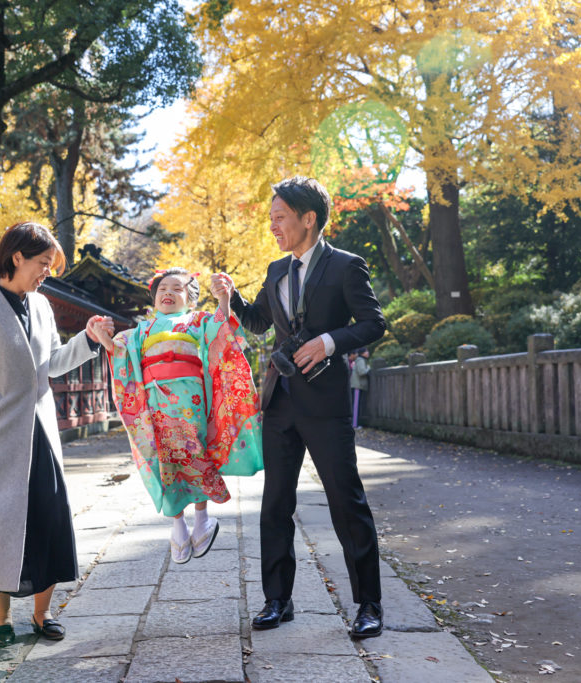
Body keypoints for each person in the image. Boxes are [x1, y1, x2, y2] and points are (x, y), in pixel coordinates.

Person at [211, 176, 387, 638]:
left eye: (280, 217)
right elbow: (256, 323)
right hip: (280, 402)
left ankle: (369, 605)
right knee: (274, 505)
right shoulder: (275, 271)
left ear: (308, 219)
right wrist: (230, 300)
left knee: (346, 503)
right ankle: (277, 600)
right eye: (271, 218)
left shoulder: (347, 266)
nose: (273, 225)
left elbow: (373, 323)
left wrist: (329, 342)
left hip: (326, 404)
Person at [0, 221, 113, 647]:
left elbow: (52, 362)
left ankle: (42, 613)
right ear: (16, 257)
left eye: (49, 266)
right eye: (42, 263)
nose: (46, 273)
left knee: (50, 520)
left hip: (41, 434)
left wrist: (89, 340)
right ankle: (0, 619)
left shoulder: (41, 306)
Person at [93, 268, 263, 563]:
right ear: (154, 298)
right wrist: (103, 338)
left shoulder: (197, 321)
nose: (168, 293)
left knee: (192, 452)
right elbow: (121, 354)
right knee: (164, 457)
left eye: (177, 288)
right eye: (162, 289)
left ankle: (202, 518)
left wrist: (224, 299)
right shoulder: (141, 330)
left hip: (190, 400)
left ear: (192, 301)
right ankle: (178, 524)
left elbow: (221, 331)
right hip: (156, 401)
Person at [350, 348, 371, 429]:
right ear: (362, 353)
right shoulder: (360, 360)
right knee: (356, 405)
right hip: (357, 386)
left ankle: (355, 423)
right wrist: (368, 368)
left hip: (359, 386)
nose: (368, 352)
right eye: (366, 351)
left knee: (357, 405)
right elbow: (362, 372)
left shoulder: (361, 360)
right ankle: (354, 424)